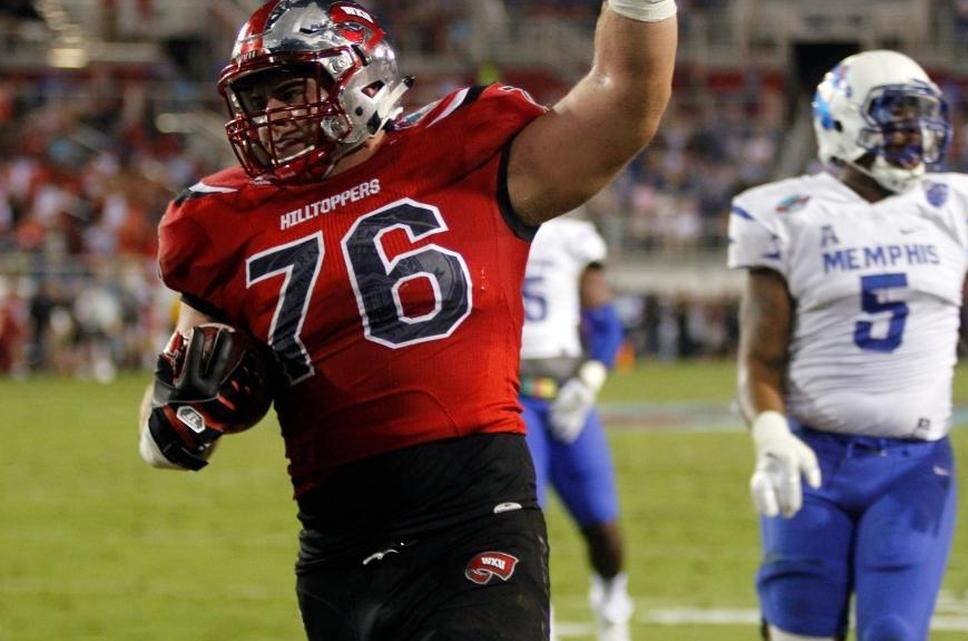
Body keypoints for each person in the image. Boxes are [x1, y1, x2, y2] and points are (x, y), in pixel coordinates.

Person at [135, 1, 676, 640]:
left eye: (290, 89)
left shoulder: (463, 149)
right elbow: (164, 426)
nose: (273, 116)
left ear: (359, 78)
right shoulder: (220, 224)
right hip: (339, 550)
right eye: (257, 99)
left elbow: (627, 97)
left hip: (475, 513)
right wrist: (178, 422)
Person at [727, 50, 968, 641]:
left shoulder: (956, 205)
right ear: (841, 122)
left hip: (913, 462)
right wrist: (771, 439)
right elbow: (759, 359)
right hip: (812, 455)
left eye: (922, 117)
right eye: (895, 117)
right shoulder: (785, 212)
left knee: (893, 631)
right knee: (798, 633)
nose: (915, 133)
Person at [518, 212, 632, 641]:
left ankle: (613, 609)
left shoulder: (572, 237)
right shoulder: (487, 220)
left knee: (602, 520)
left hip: (567, 393)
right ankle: (539, 624)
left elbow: (604, 318)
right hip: (511, 393)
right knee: (528, 523)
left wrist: (589, 380)